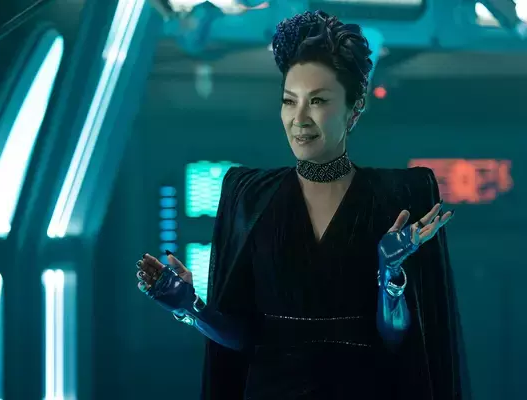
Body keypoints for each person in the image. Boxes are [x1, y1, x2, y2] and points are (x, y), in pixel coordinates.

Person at [136, 10, 470, 400]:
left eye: (318, 101)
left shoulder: (395, 199)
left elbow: (398, 339)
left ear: (354, 109)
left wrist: (390, 274)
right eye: (289, 101)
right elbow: (241, 337)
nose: (299, 119)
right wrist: (189, 305)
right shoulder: (249, 196)